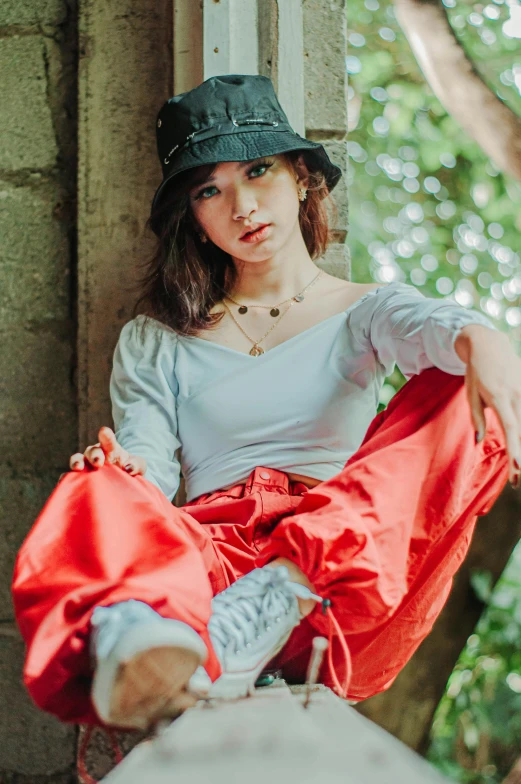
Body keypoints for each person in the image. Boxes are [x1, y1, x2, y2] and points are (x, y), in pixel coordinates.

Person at [11, 74, 520, 733]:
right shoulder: (155, 340)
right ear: (191, 215)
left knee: (461, 381)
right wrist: (121, 472)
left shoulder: (366, 312)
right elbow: (150, 467)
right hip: (210, 570)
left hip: (340, 583)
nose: (243, 205)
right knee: (99, 480)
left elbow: (439, 328)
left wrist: (483, 340)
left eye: (258, 171)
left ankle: (274, 594)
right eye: (209, 190)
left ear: (302, 177)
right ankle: (141, 635)